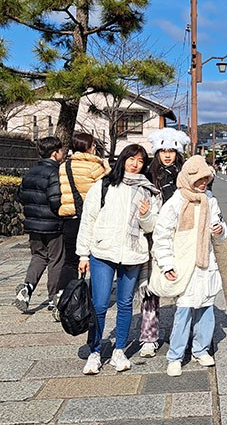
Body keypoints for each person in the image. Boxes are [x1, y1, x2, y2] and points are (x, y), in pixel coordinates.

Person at [77, 144, 160, 375]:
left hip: (133, 253)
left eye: (140, 161)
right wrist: (83, 254)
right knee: (100, 304)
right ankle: (95, 351)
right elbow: (88, 220)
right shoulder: (103, 185)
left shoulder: (148, 191)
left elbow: (152, 225)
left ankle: (119, 350)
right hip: (103, 251)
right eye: (131, 158)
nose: (135, 164)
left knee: (125, 304)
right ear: (122, 159)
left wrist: (145, 215)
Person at [151, 155, 227, 377]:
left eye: (206, 179)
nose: (203, 184)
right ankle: (175, 356)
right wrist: (166, 264)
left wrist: (219, 231)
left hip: (205, 263)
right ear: (187, 179)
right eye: (199, 180)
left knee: (206, 309)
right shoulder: (175, 202)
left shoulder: (210, 201)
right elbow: (162, 235)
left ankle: (201, 349)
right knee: (183, 311)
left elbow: (222, 232)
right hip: (183, 264)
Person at [136, 128, 189, 358]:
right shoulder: (148, 176)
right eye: (163, 150)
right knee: (149, 288)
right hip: (151, 238)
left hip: (181, 237)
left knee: (184, 287)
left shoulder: (185, 176)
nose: (167, 155)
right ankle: (149, 337)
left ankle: (182, 336)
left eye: (172, 150)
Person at [56, 132, 109, 319]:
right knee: (94, 260)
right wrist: (107, 168)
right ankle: (93, 299)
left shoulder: (65, 166)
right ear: (90, 146)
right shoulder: (95, 167)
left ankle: (63, 297)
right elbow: (106, 190)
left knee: (70, 261)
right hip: (91, 220)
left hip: (69, 218)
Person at [14, 136, 65, 313]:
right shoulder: (55, 172)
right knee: (56, 259)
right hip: (52, 224)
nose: (63, 153)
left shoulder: (30, 172)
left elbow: (20, 195)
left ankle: (27, 287)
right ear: (55, 153)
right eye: (61, 150)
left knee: (38, 256)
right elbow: (55, 200)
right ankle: (53, 298)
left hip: (33, 224)